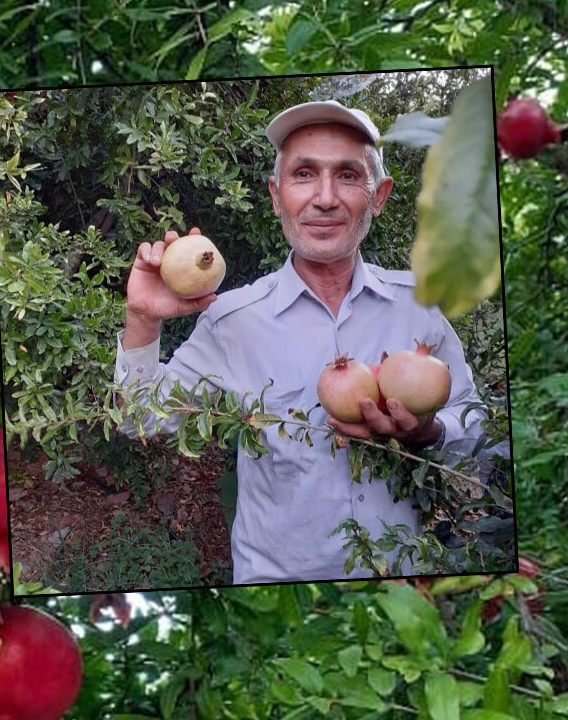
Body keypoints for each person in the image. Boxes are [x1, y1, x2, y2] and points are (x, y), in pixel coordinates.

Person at [115, 100, 485, 584]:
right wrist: (141, 319)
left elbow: (472, 421)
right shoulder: (233, 320)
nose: (325, 197)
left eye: (349, 176)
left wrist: (429, 433)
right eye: (304, 174)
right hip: (277, 595)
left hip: (405, 584)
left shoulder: (420, 303)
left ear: (379, 196)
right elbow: (138, 418)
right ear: (276, 195)